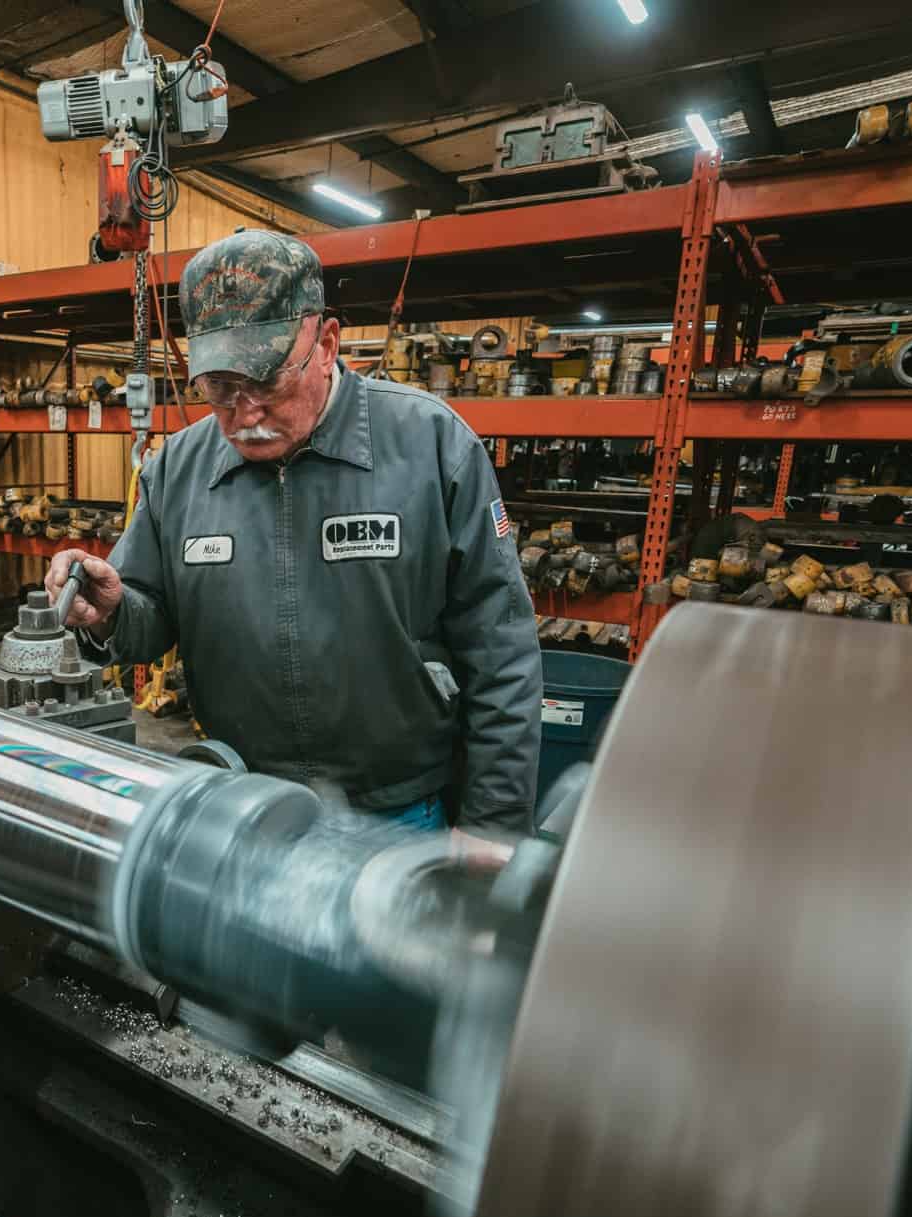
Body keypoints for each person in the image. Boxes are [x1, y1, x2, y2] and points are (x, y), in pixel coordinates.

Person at [46, 228, 542, 839]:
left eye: (267, 381)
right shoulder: (177, 469)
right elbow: (153, 611)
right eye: (220, 387)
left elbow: (501, 648)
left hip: (397, 814)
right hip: (240, 805)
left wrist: (493, 824)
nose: (245, 413)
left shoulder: (432, 446)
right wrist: (112, 613)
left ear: (326, 344)